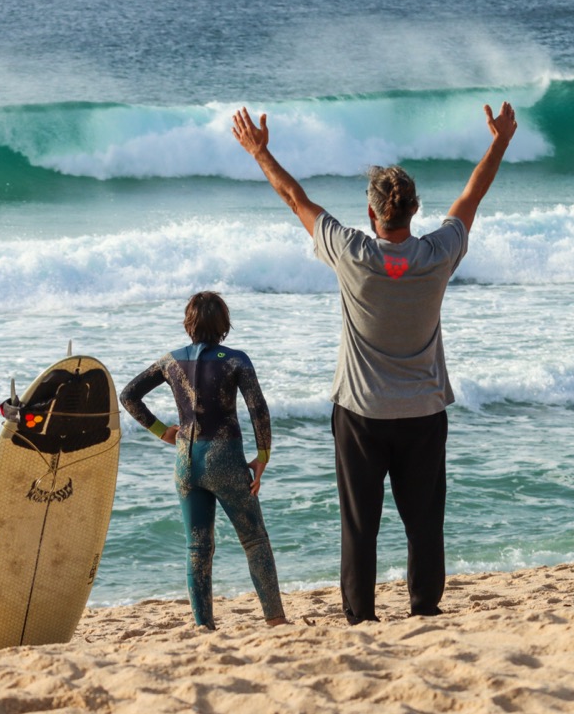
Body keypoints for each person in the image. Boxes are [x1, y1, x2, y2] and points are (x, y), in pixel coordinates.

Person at [231, 103, 517, 623]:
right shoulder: (439, 254)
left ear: (372, 213)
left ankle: (361, 616)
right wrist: (498, 142)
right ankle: (424, 607)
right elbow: (472, 197)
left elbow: (295, 198)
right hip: (424, 414)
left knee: (360, 524)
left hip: (361, 415)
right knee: (424, 521)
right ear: (414, 211)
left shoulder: (351, 253)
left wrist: (260, 151)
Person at [119, 291, 288, 629]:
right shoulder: (236, 360)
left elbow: (128, 395)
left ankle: (204, 626)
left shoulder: (170, 361)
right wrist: (263, 455)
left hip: (186, 460)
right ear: (224, 324)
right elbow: (258, 409)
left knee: (197, 547)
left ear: (189, 323)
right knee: (254, 541)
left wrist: (161, 431)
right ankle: (276, 620)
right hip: (223, 457)